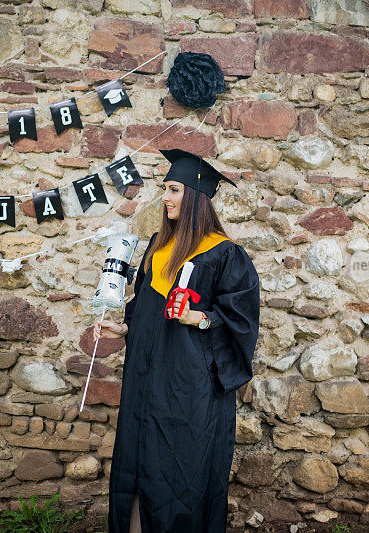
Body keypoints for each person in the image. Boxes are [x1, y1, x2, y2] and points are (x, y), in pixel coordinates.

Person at [94, 148, 261, 532]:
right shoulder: (158, 246)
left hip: (190, 389)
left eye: (173, 190)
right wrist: (124, 329)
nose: (165, 198)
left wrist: (201, 318)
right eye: (165, 189)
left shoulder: (225, 254)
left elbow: (241, 322)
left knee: (180, 472)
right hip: (144, 381)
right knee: (136, 464)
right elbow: (144, 310)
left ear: (196, 197)